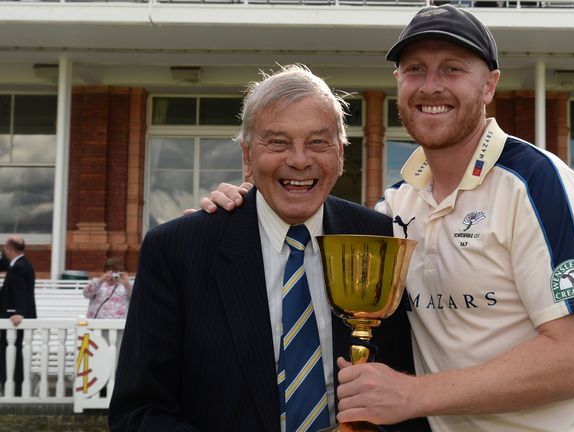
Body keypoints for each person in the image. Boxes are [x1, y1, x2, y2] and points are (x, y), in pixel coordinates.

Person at [203, 5, 574, 431]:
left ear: (490, 85)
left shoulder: (538, 184)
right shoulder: (396, 205)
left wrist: (414, 395)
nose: (431, 87)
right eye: (415, 69)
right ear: (398, 82)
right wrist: (246, 205)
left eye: (452, 69)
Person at [109, 64, 428, 431]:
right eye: (277, 142)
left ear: (340, 155)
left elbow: (406, 389)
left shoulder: (379, 238)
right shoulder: (178, 250)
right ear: (247, 156)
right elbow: (139, 412)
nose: (299, 160)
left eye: (318, 142)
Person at [0, 235, 37, 396]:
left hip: (14, 319)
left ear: (9, 249)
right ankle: (12, 387)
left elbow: (22, 292)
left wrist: (19, 313)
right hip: (14, 316)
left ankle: (14, 389)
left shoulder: (19, 267)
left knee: (11, 354)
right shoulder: (21, 263)